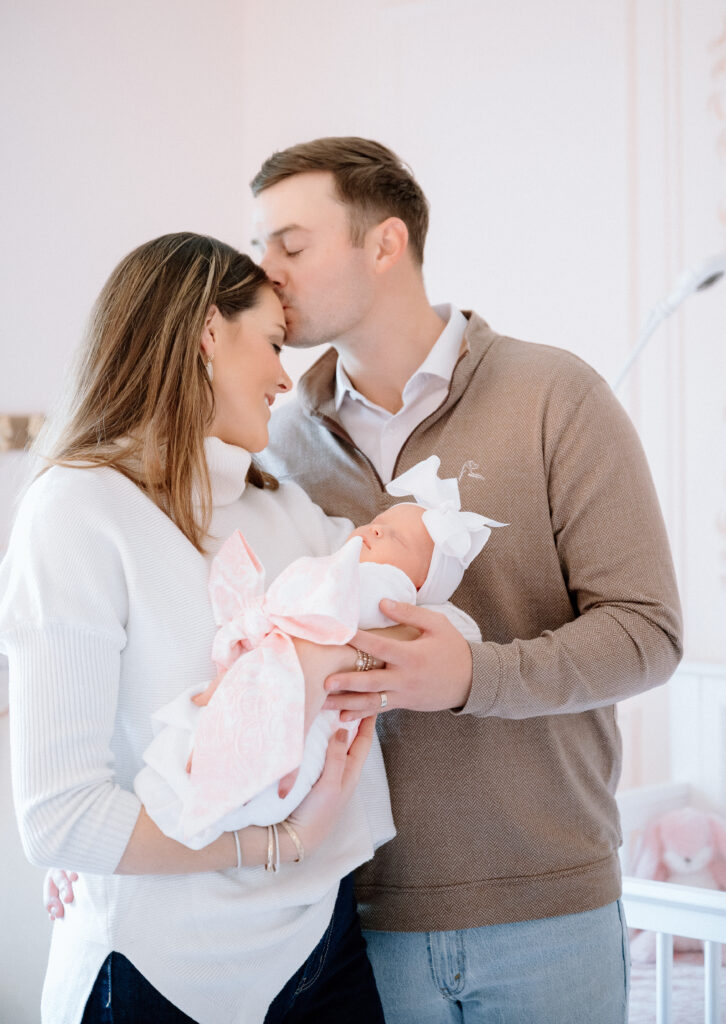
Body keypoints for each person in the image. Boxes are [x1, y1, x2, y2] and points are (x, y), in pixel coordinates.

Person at [249, 136, 684, 1024]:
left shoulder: (556, 395)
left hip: (549, 912)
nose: (264, 272)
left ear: (385, 243)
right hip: (351, 928)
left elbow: (649, 632)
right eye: (259, 248)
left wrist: (472, 679)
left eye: (290, 246)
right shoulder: (277, 442)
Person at [0, 232, 398, 1024]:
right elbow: (60, 818)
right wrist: (282, 842)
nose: (287, 378)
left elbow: (399, 634)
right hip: (160, 975)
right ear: (208, 334)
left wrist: (329, 657)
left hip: (325, 939)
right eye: (275, 343)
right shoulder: (78, 512)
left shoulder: (280, 504)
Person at [135, 454, 498, 848]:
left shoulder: (388, 590)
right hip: (268, 671)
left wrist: (329, 652)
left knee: (258, 755)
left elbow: (463, 633)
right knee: (193, 738)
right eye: (378, 524)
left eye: (396, 538)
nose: (374, 532)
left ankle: (200, 803)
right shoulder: (331, 550)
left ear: (422, 584)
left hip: (311, 709)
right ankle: (173, 810)